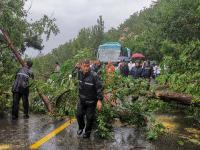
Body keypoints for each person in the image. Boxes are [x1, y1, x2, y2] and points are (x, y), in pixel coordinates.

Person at [76, 59, 103, 138]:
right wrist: (75, 67)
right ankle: (81, 127)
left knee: (89, 117)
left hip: (91, 102)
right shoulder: (79, 73)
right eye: (84, 66)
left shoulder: (94, 75)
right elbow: (72, 74)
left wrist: (99, 100)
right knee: (78, 114)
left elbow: (99, 88)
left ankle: (87, 132)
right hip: (82, 100)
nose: (86, 68)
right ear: (81, 66)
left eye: (88, 66)